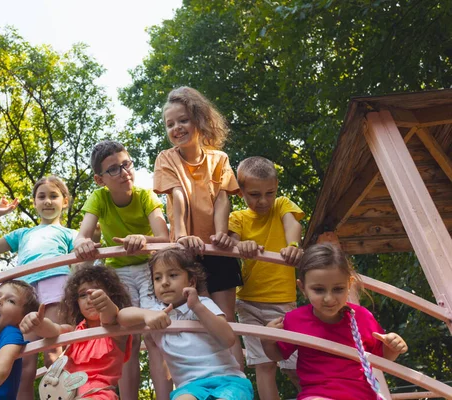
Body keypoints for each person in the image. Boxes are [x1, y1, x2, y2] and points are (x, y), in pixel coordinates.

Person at [73, 140, 173, 399]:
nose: (124, 172)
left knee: (155, 334)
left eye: (126, 164)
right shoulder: (99, 198)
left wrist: (143, 239)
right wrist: (83, 243)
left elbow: (164, 236)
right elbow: (82, 236)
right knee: (128, 339)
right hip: (118, 273)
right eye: (114, 169)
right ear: (99, 179)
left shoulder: (144, 196)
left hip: (150, 269)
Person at [153, 86, 244, 369]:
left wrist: (220, 234)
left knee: (225, 319)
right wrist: (180, 235)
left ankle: (235, 380)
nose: (177, 128)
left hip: (215, 249)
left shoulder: (219, 159)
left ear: (199, 120)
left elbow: (221, 198)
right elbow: (177, 195)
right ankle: (199, 376)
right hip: (186, 252)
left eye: (183, 120)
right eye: (170, 124)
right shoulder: (166, 158)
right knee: (194, 316)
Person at [0, 175, 77, 400]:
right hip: (24, 294)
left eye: (53, 196)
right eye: (41, 197)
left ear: (65, 201)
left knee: (54, 354)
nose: (47, 201)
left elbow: (83, 258)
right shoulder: (23, 234)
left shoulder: (70, 233)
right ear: (34, 202)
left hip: (55, 286)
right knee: (23, 362)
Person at [261, 243, 408, 400]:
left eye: (338, 289)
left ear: (349, 284)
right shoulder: (295, 320)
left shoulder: (362, 317)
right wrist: (267, 341)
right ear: (302, 287)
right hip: (317, 395)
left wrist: (393, 347)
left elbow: (382, 357)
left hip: (362, 395)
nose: (329, 299)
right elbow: (278, 355)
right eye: (319, 290)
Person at [118, 247, 254, 400]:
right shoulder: (156, 313)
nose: (164, 283)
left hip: (228, 381)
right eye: (157, 278)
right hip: (189, 387)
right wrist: (146, 314)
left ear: (191, 281)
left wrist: (197, 308)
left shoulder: (203, 304)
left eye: (173, 275)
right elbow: (122, 316)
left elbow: (228, 338)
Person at [228, 156, 304, 399]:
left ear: (276, 187)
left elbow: (293, 224)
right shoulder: (238, 218)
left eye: (269, 193)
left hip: (282, 301)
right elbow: (231, 240)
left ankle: (315, 394)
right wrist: (241, 245)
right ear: (240, 192)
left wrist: (292, 244)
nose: (263, 201)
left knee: (294, 365)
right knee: (264, 364)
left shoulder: (282, 205)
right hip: (249, 302)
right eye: (254, 194)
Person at [22, 265, 133, 400]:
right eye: (82, 295)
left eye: (97, 291)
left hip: (99, 394)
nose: (90, 298)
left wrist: (105, 303)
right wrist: (38, 323)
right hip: (68, 394)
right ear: (76, 303)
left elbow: (110, 316)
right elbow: (53, 330)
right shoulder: (74, 332)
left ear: (111, 295)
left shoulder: (116, 329)